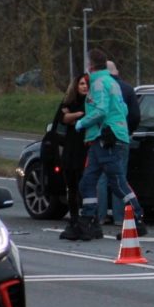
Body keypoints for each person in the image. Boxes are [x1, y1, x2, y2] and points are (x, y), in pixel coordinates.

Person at [73, 48, 148, 241]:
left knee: (116, 181)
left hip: (107, 139)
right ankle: (88, 221)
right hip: (106, 138)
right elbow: (123, 108)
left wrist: (82, 123)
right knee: (88, 181)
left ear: (91, 64)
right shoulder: (111, 82)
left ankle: (137, 218)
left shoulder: (98, 83)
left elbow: (101, 110)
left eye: (86, 62)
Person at [96, 61, 140, 226]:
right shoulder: (127, 89)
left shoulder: (99, 88)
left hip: (103, 136)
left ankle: (100, 215)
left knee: (102, 177)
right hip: (121, 136)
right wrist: (128, 130)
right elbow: (135, 115)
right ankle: (119, 217)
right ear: (117, 71)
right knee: (119, 176)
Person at [56, 74, 89, 240]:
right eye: (81, 84)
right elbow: (62, 118)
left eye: (87, 84)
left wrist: (73, 116)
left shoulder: (91, 102)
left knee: (84, 185)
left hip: (85, 148)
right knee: (71, 186)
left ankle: (87, 218)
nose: (84, 86)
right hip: (70, 148)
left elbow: (87, 118)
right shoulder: (69, 102)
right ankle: (74, 218)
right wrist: (78, 115)